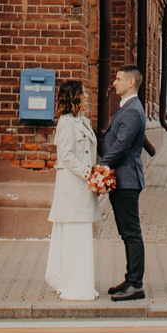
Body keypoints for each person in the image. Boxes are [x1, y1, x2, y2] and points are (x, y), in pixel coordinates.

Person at [44, 79, 97, 302]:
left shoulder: (82, 121)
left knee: (82, 235)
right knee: (75, 234)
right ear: (73, 97)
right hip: (72, 188)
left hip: (81, 187)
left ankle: (80, 281)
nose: (86, 96)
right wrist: (89, 174)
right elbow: (65, 156)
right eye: (82, 93)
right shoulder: (66, 123)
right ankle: (73, 283)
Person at [99, 64, 149, 301]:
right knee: (126, 232)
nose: (114, 83)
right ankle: (130, 279)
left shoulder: (132, 110)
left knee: (131, 233)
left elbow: (121, 145)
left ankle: (136, 284)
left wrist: (102, 165)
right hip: (122, 179)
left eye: (118, 79)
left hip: (126, 179)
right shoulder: (129, 107)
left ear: (131, 82)